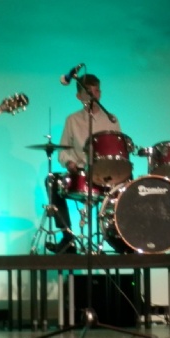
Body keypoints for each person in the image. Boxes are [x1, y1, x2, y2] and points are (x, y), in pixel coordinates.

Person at [46, 74, 122, 254]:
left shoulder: (111, 119)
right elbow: (63, 151)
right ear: (79, 96)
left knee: (128, 182)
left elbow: (119, 150)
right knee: (51, 181)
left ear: (100, 93)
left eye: (96, 91)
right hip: (81, 173)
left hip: (105, 175)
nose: (93, 95)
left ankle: (121, 238)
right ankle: (68, 238)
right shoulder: (72, 120)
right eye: (88, 92)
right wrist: (69, 162)